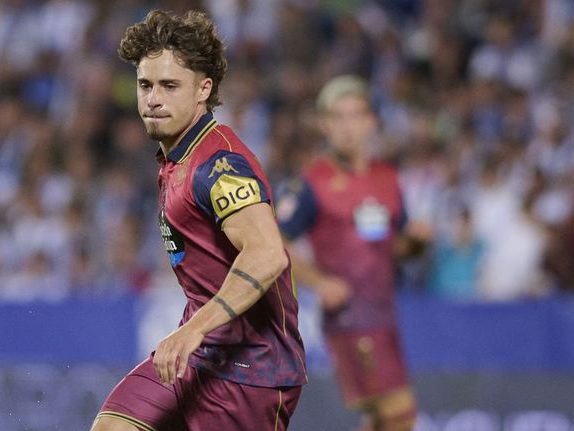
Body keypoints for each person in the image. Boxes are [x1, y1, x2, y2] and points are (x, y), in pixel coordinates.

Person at [91, 10, 307, 431]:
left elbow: (267, 255)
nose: (153, 98)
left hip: (252, 368)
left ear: (202, 89)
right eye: (145, 85)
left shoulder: (220, 164)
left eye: (169, 86)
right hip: (201, 351)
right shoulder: (178, 156)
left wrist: (193, 330)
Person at [276, 75, 420, 431]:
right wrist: (319, 281)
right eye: (337, 117)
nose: (347, 127)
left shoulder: (387, 178)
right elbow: (275, 242)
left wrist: (418, 242)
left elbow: (396, 245)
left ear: (371, 121)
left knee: (379, 417)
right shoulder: (311, 182)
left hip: (384, 313)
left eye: (355, 115)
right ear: (324, 124)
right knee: (400, 410)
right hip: (350, 317)